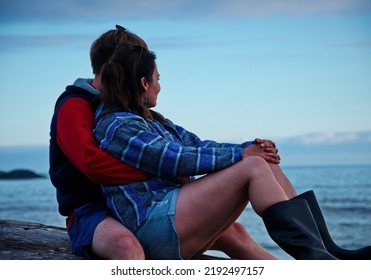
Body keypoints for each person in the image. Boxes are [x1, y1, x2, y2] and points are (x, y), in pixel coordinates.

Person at [93, 45, 371, 260]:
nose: (159, 86)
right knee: (253, 166)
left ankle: (326, 250)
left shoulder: (152, 120)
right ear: (144, 83)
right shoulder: (117, 125)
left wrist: (251, 148)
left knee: (260, 160)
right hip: (149, 227)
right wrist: (245, 157)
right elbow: (173, 160)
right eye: (157, 78)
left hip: (169, 214)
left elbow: (198, 146)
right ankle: (316, 261)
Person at [49, 25, 276, 260]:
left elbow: (185, 145)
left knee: (236, 234)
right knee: (127, 247)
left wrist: (246, 148)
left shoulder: (130, 107)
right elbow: (91, 163)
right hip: (90, 211)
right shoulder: (75, 104)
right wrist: (161, 170)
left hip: (130, 199)